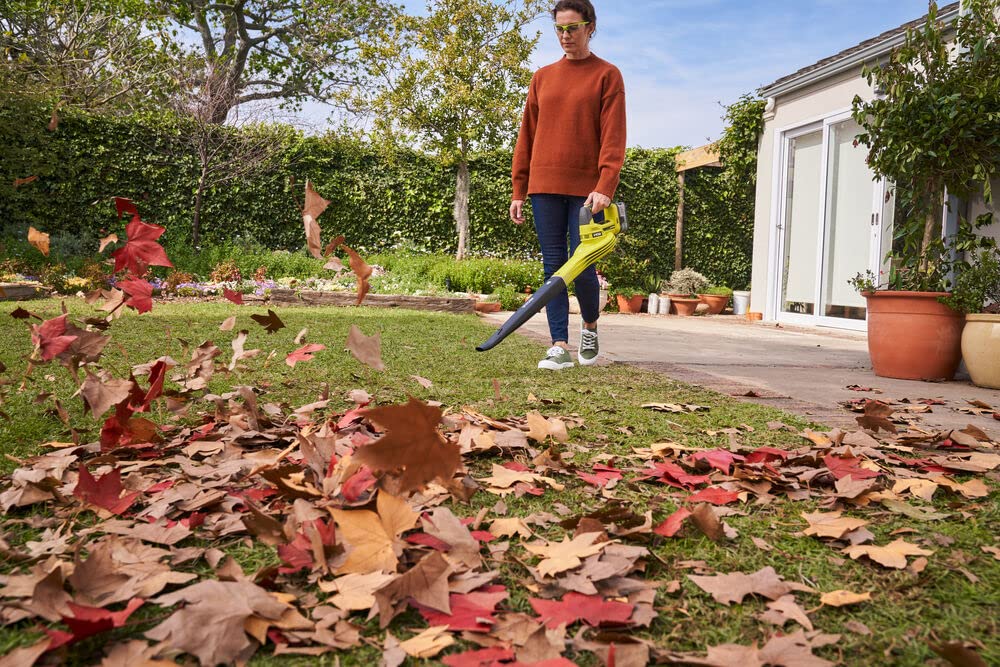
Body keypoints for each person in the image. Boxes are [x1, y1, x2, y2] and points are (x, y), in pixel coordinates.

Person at [510, 0, 626, 370]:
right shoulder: (542, 77)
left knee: (583, 265)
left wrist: (605, 184)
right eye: (559, 29)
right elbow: (527, 135)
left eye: (573, 28)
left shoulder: (607, 75)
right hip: (544, 185)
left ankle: (589, 327)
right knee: (554, 266)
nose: (565, 36)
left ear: (590, 28)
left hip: (588, 191)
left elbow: (614, 137)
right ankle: (558, 344)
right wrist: (519, 188)